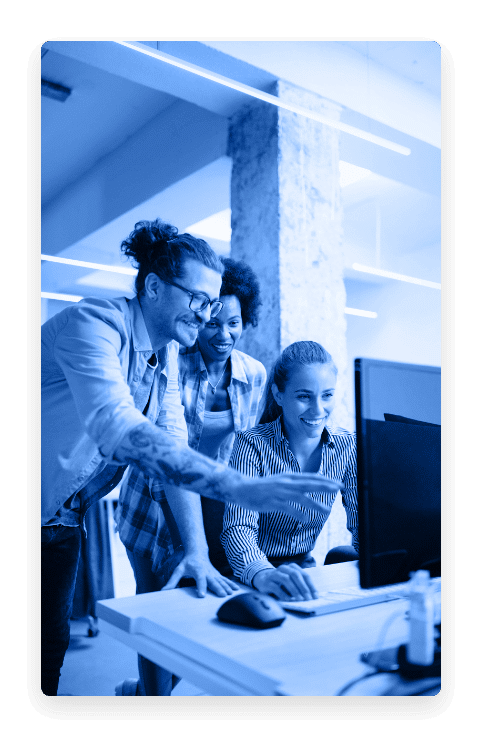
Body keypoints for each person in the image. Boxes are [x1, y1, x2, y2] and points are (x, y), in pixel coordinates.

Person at [41, 219, 340, 697]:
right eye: (198, 300)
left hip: (61, 517)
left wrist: (196, 552)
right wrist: (238, 486)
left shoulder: (164, 360)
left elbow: (173, 446)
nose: (206, 317)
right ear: (154, 287)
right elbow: (118, 427)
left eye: (214, 303)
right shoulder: (92, 325)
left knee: (44, 648)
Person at [116, 256, 267, 695]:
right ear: (198, 319)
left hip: (212, 509)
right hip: (151, 503)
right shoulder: (172, 363)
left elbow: (244, 450)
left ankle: (141, 694)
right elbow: (165, 450)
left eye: (234, 324)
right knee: (155, 612)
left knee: (199, 613)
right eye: (212, 323)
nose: (223, 335)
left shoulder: (253, 374)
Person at [220, 340, 359, 602]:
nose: (318, 410)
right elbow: (239, 527)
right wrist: (263, 574)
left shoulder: (347, 445)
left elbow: (365, 523)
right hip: (248, 575)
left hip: (301, 571)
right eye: (304, 396)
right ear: (279, 394)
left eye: (327, 395)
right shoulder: (252, 444)